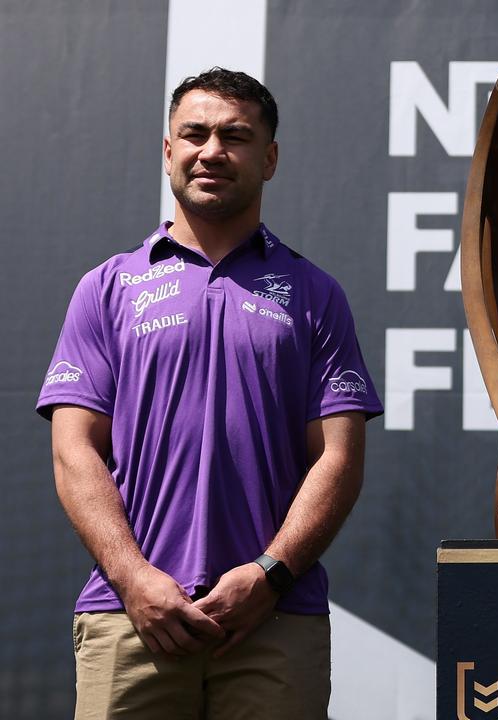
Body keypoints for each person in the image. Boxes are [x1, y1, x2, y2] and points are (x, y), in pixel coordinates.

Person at [37, 67, 382, 718]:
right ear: (168, 150)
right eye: (194, 134)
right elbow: (73, 450)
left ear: (270, 158)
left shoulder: (315, 294)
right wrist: (135, 580)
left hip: (274, 621)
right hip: (131, 617)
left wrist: (270, 575)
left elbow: (339, 456)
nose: (212, 151)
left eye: (236, 136)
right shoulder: (106, 289)